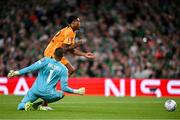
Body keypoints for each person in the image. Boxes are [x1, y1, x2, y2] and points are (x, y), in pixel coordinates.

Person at [8, 47, 85, 111]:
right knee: (61, 94)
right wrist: (77, 91)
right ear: (62, 57)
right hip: (48, 94)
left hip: (35, 90)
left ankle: (26, 105)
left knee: (20, 105)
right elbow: (64, 88)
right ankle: (40, 104)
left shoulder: (45, 60)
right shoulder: (64, 69)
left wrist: (16, 73)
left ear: (53, 54)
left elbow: (30, 68)